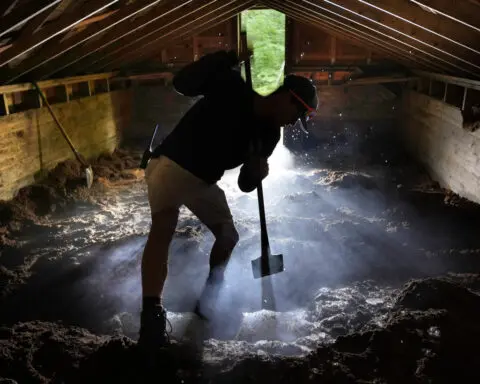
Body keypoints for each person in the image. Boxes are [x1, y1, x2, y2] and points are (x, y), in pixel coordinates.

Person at [138, 49, 318, 351]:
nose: (293, 123)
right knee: (164, 226)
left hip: (202, 180)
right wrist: (223, 59)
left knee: (228, 235)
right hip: (171, 164)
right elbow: (182, 83)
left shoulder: (269, 135)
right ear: (287, 96)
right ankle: (152, 316)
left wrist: (254, 173)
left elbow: (244, 185)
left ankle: (208, 298)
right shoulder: (231, 87)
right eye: (296, 114)